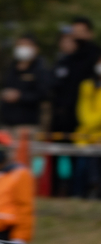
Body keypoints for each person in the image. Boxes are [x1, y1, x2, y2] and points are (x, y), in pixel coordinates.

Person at [0, 35, 50, 137]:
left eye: (26, 45)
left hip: (28, 125)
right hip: (6, 124)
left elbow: (44, 94)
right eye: (20, 45)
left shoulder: (40, 69)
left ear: (35, 48)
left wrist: (20, 96)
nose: (23, 48)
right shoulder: (10, 67)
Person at [50, 32, 79, 196]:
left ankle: (71, 190)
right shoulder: (58, 63)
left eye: (70, 41)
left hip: (73, 119)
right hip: (57, 118)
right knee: (55, 155)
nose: (66, 44)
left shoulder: (79, 64)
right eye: (64, 41)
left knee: (72, 156)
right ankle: (55, 189)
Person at [73, 56, 101, 198]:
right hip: (86, 135)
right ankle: (78, 194)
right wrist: (93, 124)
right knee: (81, 166)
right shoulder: (86, 85)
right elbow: (82, 111)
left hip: (97, 137)